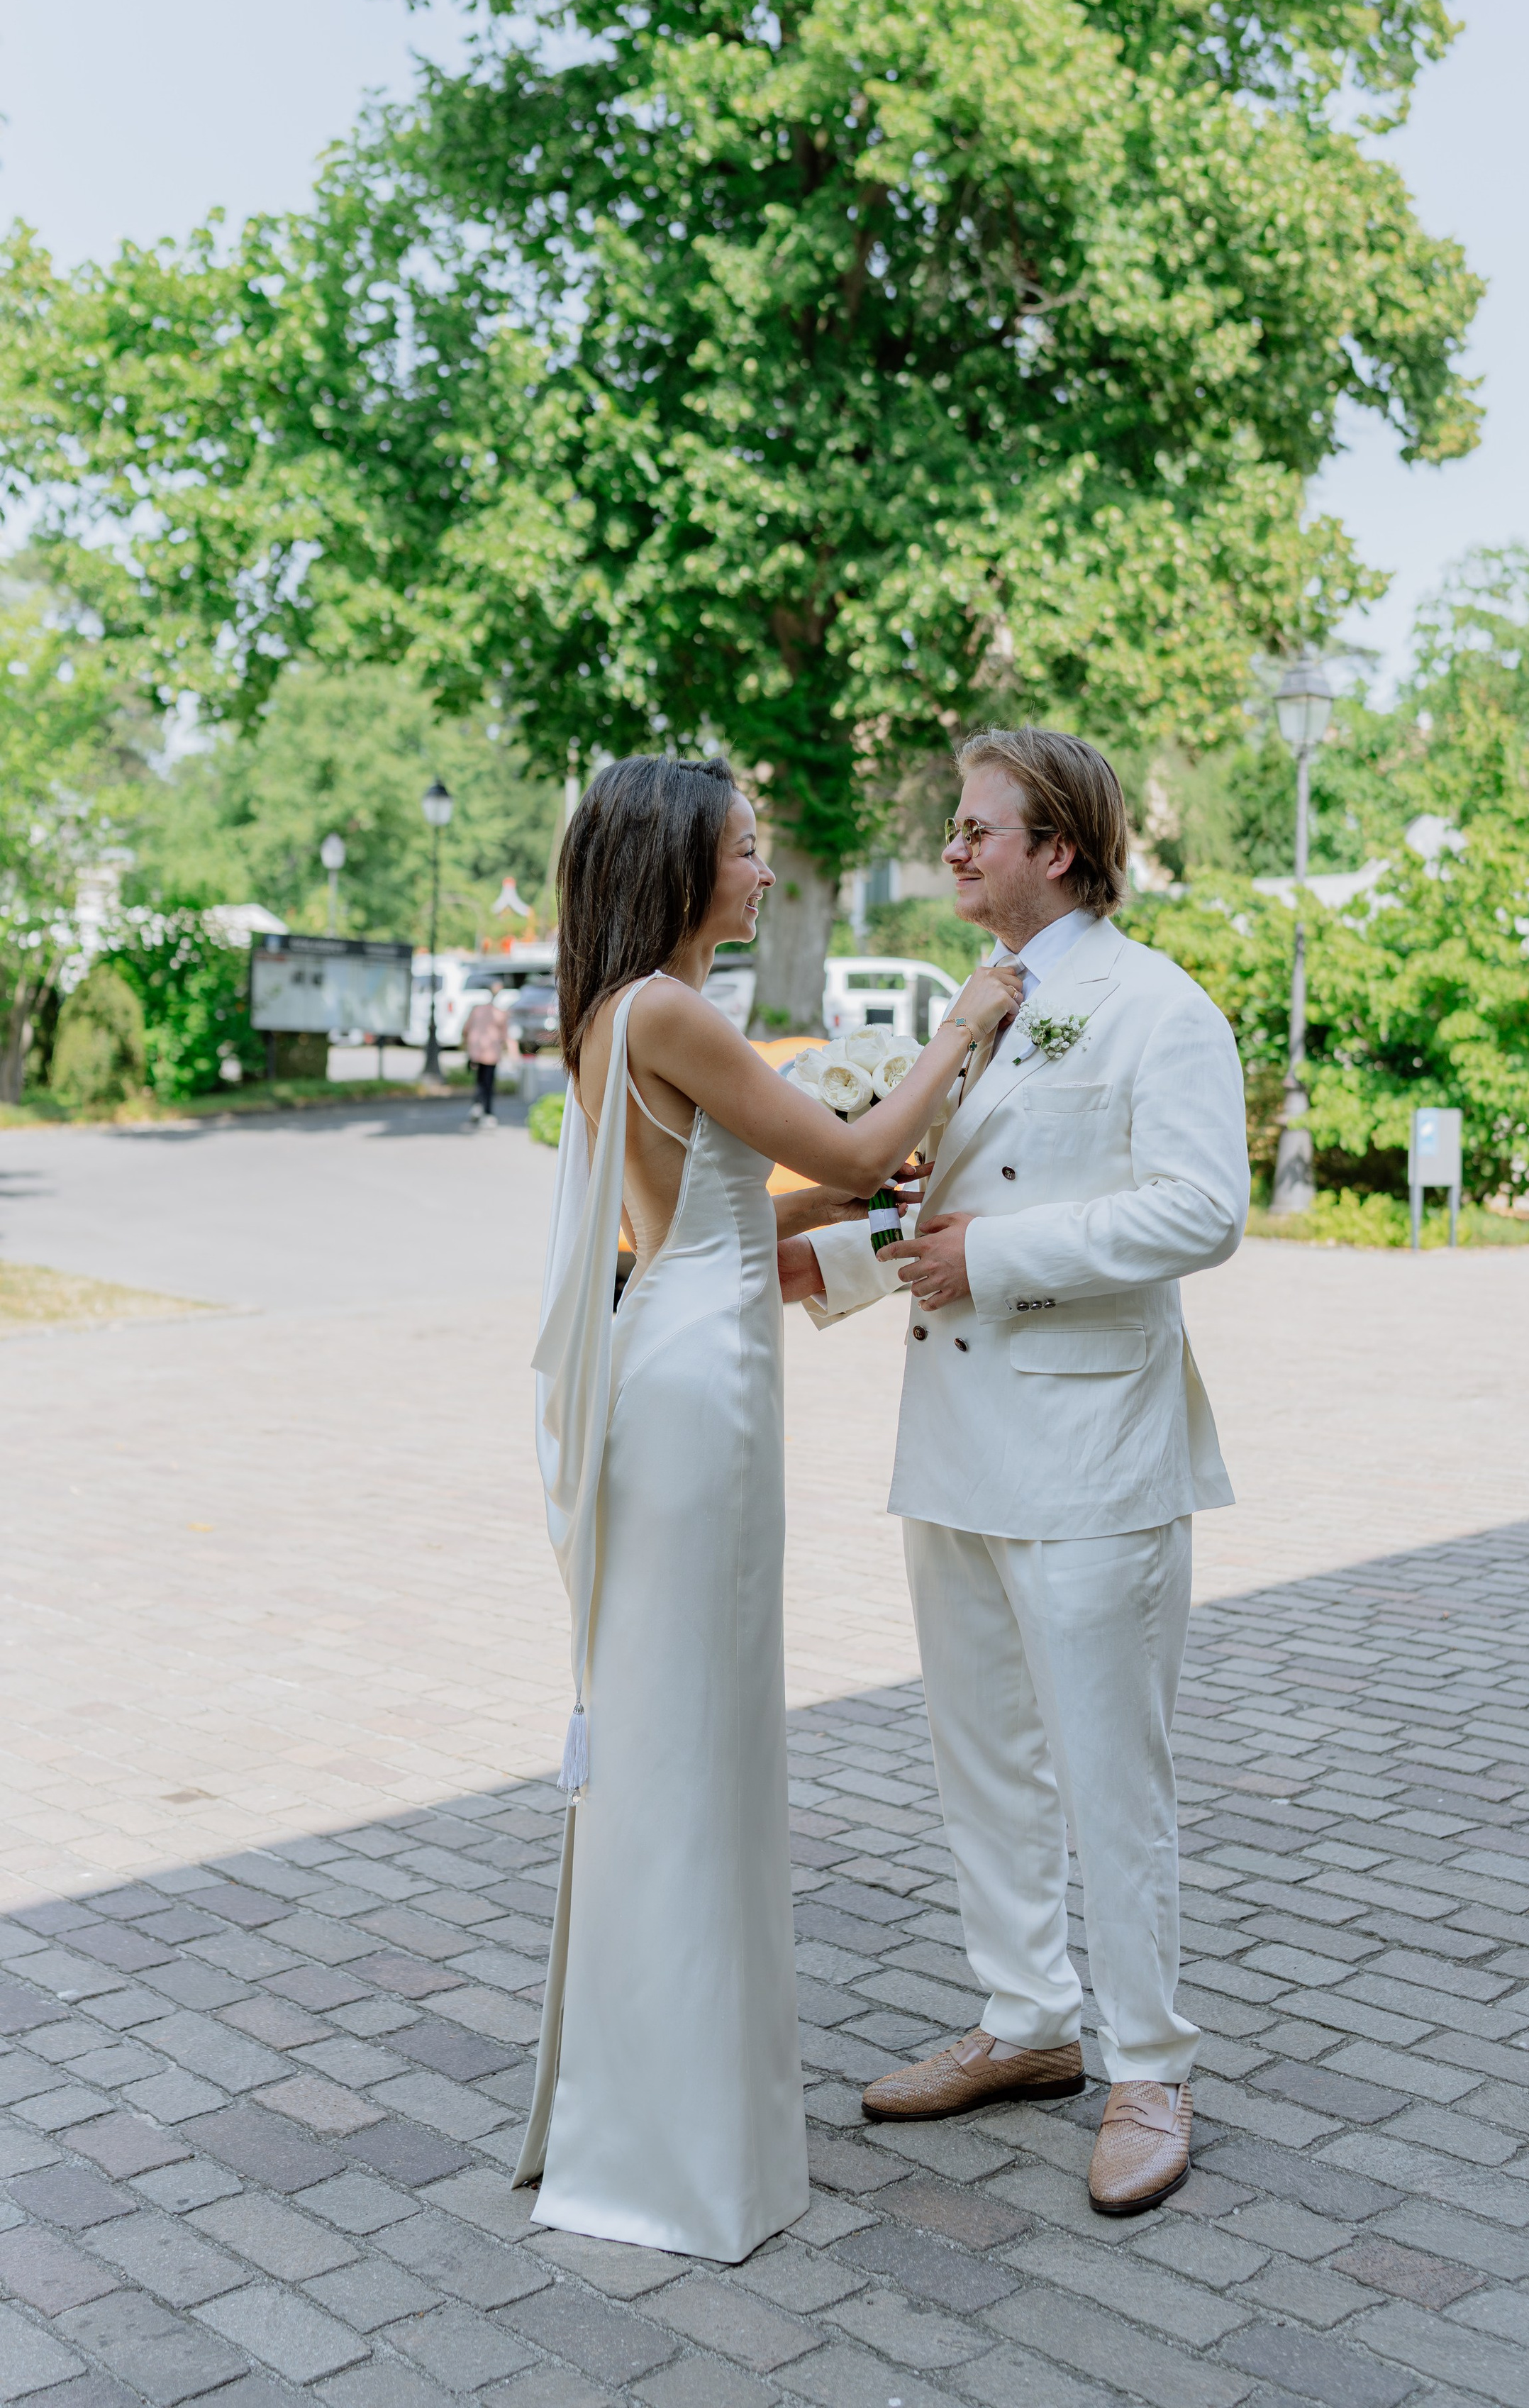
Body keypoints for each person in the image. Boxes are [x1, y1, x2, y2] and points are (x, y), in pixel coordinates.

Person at [514, 755, 1023, 2262]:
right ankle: (671, 2147)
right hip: (703, 1390)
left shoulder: (628, 1014)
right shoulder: (667, 1012)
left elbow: (735, 1211)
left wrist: (861, 1203)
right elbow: (849, 1147)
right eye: (744, 849)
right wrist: (958, 1032)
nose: (762, 869)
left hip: (690, 1350)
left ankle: (673, 2113)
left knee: (694, 1729)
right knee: (694, 1740)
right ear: (677, 862)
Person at [786, 728, 1249, 2219]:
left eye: (976, 828)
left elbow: (1202, 1211)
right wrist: (838, 1264)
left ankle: (1151, 2066)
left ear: (1056, 847)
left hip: (1093, 1453)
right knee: (978, 1753)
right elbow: (944, 1202)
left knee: (1112, 1774)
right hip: (956, 1443)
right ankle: (1027, 2020)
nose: (951, 849)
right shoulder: (979, 1005)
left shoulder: (1155, 1005)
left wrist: (995, 1257)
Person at [461, 991, 512, 1126]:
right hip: (491, 1054)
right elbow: (505, 1036)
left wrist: (467, 1045)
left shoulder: (477, 1011)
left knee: (479, 1081)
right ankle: (487, 1112)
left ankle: (477, 1106)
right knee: (488, 1083)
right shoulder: (500, 1014)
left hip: (476, 1052)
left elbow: (465, 1029)